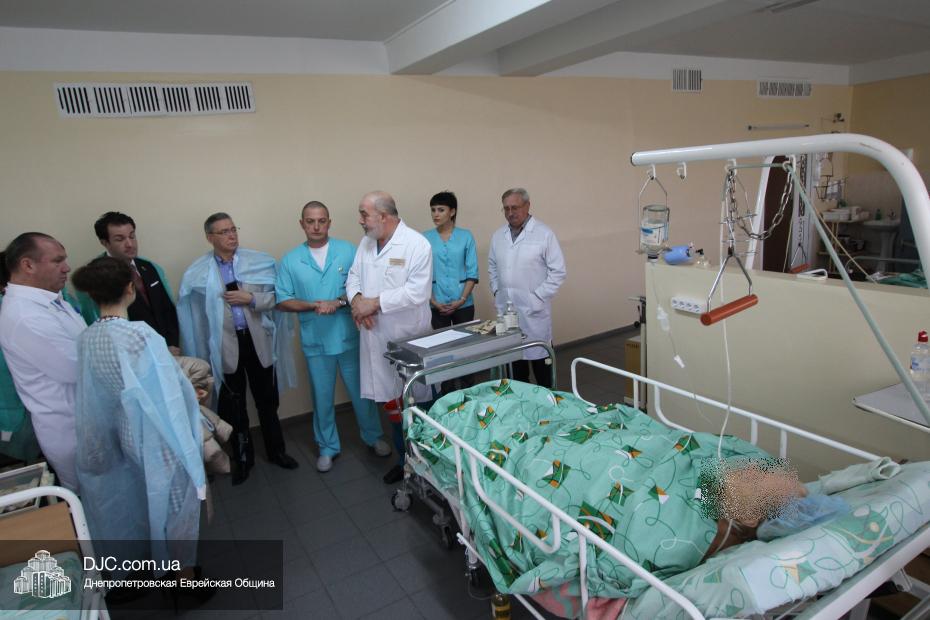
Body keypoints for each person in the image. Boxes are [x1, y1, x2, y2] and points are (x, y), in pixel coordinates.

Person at [71, 257, 206, 579]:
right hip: (158, 434)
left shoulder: (88, 338)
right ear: (130, 288)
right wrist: (192, 396)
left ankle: (163, 564)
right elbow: (166, 392)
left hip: (125, 431)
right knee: (177, 501)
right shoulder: (138, 335)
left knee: (150, 495)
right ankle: (183, 575)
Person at [177, 213, 298, 485]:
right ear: (210, 237)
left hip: (258, 342)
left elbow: (278, 298)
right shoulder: (198, 273)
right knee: (234, 406)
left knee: (268, 400)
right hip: (225, 346)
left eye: (233, 229)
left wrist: (251, 298)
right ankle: (243, 459)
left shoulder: (259, 263)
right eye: (224, 232)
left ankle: (277, 452)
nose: (231, 235)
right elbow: (193, 316)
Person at [276, 201, 390, 473]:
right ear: (302, 224)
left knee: (362, 393)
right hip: (316, 341)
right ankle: (327, 447)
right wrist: (314, 305)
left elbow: (364, 288)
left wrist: (337, 302)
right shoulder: (291, 260)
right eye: (310, 221)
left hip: (349, 336)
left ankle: (373, 436)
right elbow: (283, 300)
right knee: (322, 397)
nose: (316, 226)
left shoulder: (348, 251)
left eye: (322, 220)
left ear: (329, 222)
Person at [347, 191, 432, 484]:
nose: (360, 220)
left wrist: (374, 303)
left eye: (364, 214)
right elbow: (353, 277)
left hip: (406, 337)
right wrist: (357, 301)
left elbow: (417, 292)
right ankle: (404, 460)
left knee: (416, 404)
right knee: (392, 403)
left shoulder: (416, 244)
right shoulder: (366, 243)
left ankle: (428, 464)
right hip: (374, 335)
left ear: (383, 216)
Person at [0, 233, 86, 490]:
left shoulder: (53, 300)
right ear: (28, 265)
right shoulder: (25, 316)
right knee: (91, 504)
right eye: (58, 261)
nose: (67, 267)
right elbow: (78, 369)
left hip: (86, 420)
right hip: (70, 429)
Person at [488, 188, 566, 388]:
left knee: (542, 370)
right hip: (507, 312)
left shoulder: (544, 234)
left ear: (527, 206)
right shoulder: (498, 236)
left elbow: (558, 271)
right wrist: (497, 290)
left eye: (515, 207)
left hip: (534, 312)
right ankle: (521, 402)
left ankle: (547, 403)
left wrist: (537, 297)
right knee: (516, 370)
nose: (510, 213)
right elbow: (492, 266)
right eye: (506, 208)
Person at [78, 211, 181, 353]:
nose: (130, 244)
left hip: (166, 348)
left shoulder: (149, 267)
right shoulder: (97, 274)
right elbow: (95, 319)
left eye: (132, 236)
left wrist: (172, 343)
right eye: (120, 239)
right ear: (105, 242)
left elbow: (167, 308)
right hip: (130, 352)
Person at [423, 191, 479, 330]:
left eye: (441, 210)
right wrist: (433, 301)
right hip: (436, 303)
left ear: (452, 212)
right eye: (433, 210)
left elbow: (472, 272)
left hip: (463, 303)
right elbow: (421, 273)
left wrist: (462, 300)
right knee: (441, 342)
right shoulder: (424, 238)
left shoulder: (466, 236)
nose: (436, 214)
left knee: (465, 341)